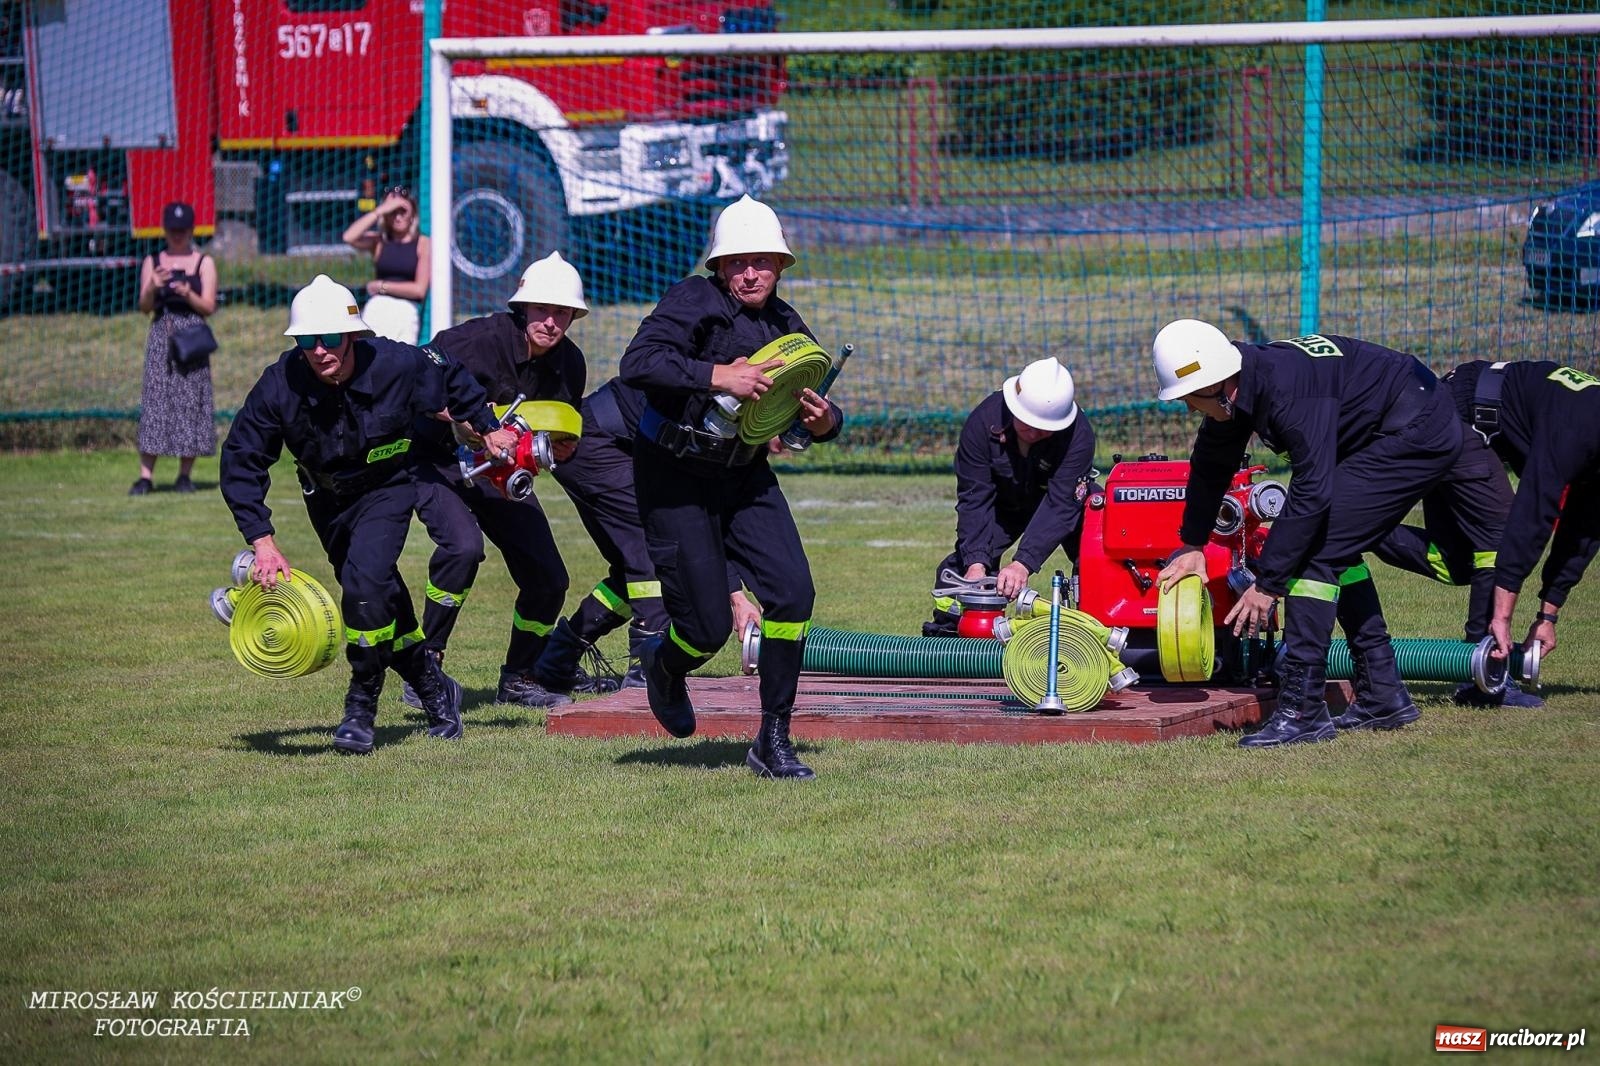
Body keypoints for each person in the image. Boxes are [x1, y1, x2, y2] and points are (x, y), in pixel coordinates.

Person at [219, 275, 514, 754]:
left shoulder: (398, 363)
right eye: (307, 341)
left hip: (388, 488)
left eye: (330, 338)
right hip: (328, 502)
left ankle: (361, 706)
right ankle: (434, 689)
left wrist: (488, 426)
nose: (319, 350)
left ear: (352, 336)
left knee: (364, 584)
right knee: (381, 595)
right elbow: (241, 459)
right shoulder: (279, 386)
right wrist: (262, 540)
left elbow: (452, 373)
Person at [1152, 321, 1462, 748]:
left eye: (1189, 397)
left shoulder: (1287, 393)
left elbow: (1312, 491)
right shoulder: (1241, 382)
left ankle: (1303, 711)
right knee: (1336, 552)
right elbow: (1210, 464)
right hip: (1380, 428)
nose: (1188, 407)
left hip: (1416, 429)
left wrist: (1269, 583)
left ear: (1222, 385)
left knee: (1313, 555)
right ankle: (1383, 693)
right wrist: (1193, 545)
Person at [618, 195, 843, 780]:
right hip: (672, 472)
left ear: (780, 266)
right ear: (718, 265)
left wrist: (824, 421)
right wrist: (719, 374)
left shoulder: (785, 323)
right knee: (707, 630)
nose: (750, 273)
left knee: (793, 593)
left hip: (742, 471)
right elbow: (638, 362)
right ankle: (664, 668)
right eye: (738, 262)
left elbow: (809, 399)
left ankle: (773, 739)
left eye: (763, 262)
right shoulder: (693, 298)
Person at [405, 251, 586, 710]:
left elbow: (556, 427)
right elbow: (418, 375)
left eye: (561, 312)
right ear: (523, 307)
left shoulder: (570, 364)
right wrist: (467, 422)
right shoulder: (478, 340)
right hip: (436, 461)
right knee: (463, 549)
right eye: (542, 309)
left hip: (500, 475)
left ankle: (521, 676)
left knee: (549, 578)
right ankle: (424, 667)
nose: (550, 321)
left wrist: (559, 447)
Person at [533, 374, 764, 695]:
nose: (783, 446)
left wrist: (735, 591)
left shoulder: (738, 415)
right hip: (592, 444)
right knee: (655, 553)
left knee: (633, 572)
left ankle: (558, 659)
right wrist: (736, 595)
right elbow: (697, 511)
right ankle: (645, 672)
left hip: (608, 443)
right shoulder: (717, 415)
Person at [1439, 359, 1600, 674]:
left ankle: (1367, 535)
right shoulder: (1578, 430)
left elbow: (1583, 534)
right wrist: (1502, 618)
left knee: (1457, 563)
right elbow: (1532, 517)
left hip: (1482, 423)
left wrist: (1547, 617)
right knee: (1500, 534)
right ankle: (1481, 673)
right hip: (1455, 408)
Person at [1370, 430, 1544, 707]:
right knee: (1501, 540)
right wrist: (1548, 615)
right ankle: (1481, 674)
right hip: (1454, 435)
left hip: (1441, 435)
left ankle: (1348, 529)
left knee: (1457, 563)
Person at [926, 358, 1096, 634]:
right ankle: (950, 633)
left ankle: (1096, 629)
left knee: (1095, 550)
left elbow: (1062, 503)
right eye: (1028, 423)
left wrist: (1023, 563)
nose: (1034, 432)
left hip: (1058, 500)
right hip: (1004, 503)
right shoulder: (981, 423)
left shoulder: (1079, 435)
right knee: (961, 568)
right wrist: (976, 564)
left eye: (1044, 428)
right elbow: (974, 497)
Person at [132, 201, 218, 495]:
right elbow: (144, 307)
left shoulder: (203, 262)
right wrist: (153, 286)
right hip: (162, 334)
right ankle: (145, 476)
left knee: (190, 401)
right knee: (156, 401)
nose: (177, 235)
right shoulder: (152, 260)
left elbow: (208, 306)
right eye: (172, 230)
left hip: (192, 335)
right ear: (165, 230)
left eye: (183, 230)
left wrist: (187, 293)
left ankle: (185, 475)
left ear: (191, 230)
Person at [341, 186, 429, 344]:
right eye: (392, 212)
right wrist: (380, 210)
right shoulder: (379, 241)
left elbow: (419, 290)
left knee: (402, 362)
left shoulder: (423, 243)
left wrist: (382, 286)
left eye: (402, 211)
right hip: (377, 307)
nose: (398, 217)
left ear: (413, 214)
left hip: (405, 309)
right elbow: (349, 237)